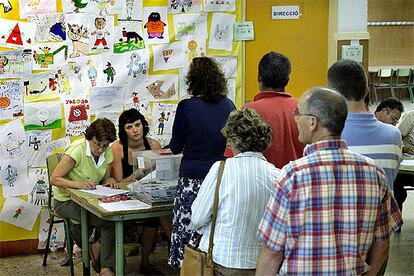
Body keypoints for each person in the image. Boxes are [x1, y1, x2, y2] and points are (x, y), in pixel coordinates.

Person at [256, 87, 403, 275]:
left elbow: (271, 252)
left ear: (312, 122)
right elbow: (382, 244)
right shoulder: (374, 173)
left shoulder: (292, 176)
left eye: (297, 113)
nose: (294, 117)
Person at [190, 108, 280, 275]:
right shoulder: (277, 174)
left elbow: (197, 217)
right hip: (262, 264)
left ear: (232, 141)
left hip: (223, 259)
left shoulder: (221, 169)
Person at [168, 57, 236, 268]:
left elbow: (176, 146)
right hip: (222, 177)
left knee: (187, 229)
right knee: (214, 229)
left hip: (193, 179)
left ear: (192, 80)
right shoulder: (229, 104)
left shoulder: (186, 107)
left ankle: (186, 268)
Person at [51, 118, 117, 276]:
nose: (100, 149)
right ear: (90, 138)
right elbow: (54, 178)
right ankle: (100, 260)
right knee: (105, 221)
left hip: (90, 199)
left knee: (111, 220)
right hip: (65, 201)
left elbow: (105, 178)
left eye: (105, 145)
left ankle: (104, 264)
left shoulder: (107, 152)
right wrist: (78, 184)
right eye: (96, 144)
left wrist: (110, 180)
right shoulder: (77, 150)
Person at [110, 108, 171, 275]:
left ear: (143, 125)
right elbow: (120, 183)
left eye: (137, 125)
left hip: (150, 193)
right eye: (129, 127)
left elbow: (161, 177)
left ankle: (148, 262)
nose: (135, 130)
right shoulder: (117, 148)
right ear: (123, 130)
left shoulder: (154, 145)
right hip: (125, 195)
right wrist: (140, 171)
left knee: (159, 213)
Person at [327, 59, 402, 191]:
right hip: (382, 210)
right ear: (367, 91)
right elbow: (391, 177)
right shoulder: (394, 135)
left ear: (332, 94)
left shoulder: (324, 135)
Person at [225, 51, 304, 168]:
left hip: (257, 184)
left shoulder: (247, 112)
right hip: (297, 183)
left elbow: (233, 157)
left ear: (259, 77)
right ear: (287, 79)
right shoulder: (303, 109)